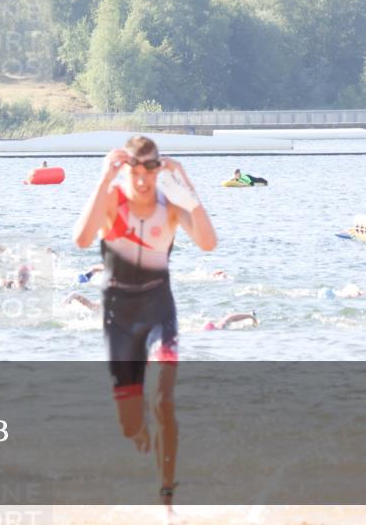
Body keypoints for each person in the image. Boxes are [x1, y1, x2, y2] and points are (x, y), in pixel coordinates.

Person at [73, 135, 217, 508]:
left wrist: (187, 184)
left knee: (163, 401)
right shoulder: (112, 201)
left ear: (158, 169)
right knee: (130, 425)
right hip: (119, 315)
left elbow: (207, 243)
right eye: (134, 171)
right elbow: (82, 238)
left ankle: (166, 494)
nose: (141, 179)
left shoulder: (170, 205)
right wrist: (103, 178)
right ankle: (139, 433)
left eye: (149, 170)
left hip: (158, 310)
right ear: (127, 170)